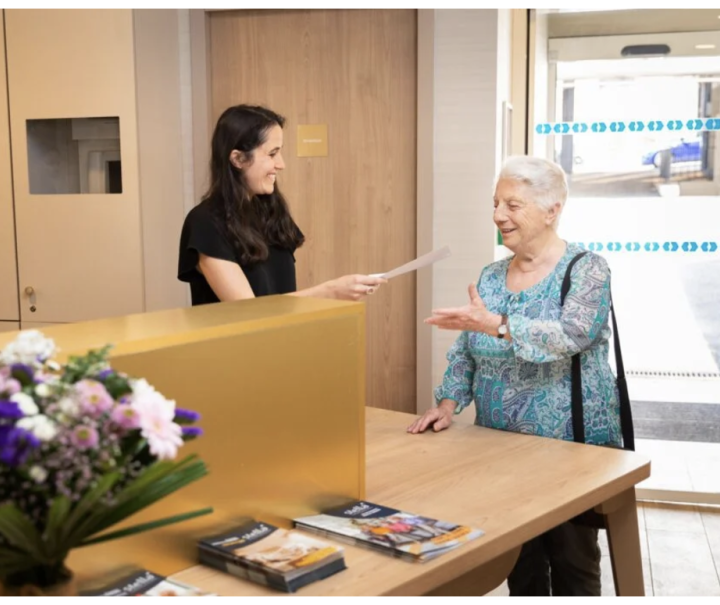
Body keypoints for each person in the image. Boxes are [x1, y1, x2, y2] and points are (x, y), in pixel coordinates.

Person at [406, 155, 622, 597]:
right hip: (499, 454)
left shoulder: (587, 269)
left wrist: (499, 325)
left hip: (569, 455)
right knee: (519, 568)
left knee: (573, 567)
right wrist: (446, 405)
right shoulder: (489, 277)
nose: (498, 215)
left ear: (552, 209)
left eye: (513, 205)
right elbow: (467, 351)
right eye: (496, 203)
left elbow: (573, 334)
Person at [178, 105, 385, 305]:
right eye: (272, 154)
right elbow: (246, 312)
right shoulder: (205, 223)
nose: (281, 164)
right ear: (238, 159)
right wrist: (331, 292)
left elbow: (282, 297)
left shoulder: (270, 212)